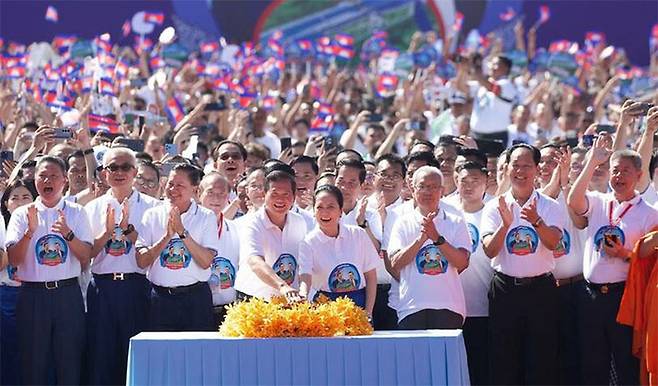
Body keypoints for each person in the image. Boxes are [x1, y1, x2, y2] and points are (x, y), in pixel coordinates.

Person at [567, 140, 658, 385]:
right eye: (615, 170)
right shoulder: (598, 201)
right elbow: (574, 202)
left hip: (624, 296)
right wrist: (592, 162)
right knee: (592, 362)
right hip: (591, 296)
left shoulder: (650, 214)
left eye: (625, 171)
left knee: (625, 364)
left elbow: (651, 262)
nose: (618, 176)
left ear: (639, 175)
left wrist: (623, 254)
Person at [6, 155, 93, 385]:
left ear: (65, 180)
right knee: (33, 366)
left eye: (53, 176)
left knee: (69, 364)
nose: (47, 180)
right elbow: (13, 260)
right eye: (42, 175)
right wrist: (29, 232)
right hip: (33, 296)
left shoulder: (76, 212)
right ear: (34, 180)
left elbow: (86, 257)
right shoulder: (21, 214)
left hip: (67, 296)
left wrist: (68, 233)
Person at [481, 143, 563, 385]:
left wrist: (536, 221)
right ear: (507, 169)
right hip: (505, 290)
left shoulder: (550, 206)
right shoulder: (495, 207)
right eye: (515, 165)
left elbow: (553, 242)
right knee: (504, 358)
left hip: (542, 290)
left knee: (542, 359)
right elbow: (489, 250)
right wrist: (505, 225)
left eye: (526, 165)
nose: (520, 171)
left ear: (537, 170)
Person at [84, 148, 160, 385]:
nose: (119, 172)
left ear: (135, 171)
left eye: (125, 167)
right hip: (103, 288)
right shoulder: (91, 208)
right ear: (103, 173)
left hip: (138, 287)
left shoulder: (153, 207)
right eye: (112, 167)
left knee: (136, 355)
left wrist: (128, 230)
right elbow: (86, 256)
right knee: (101, 355)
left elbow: (153, 252)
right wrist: (107, 233)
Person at [136, 163, 219, 331]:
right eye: (170, 184)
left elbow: (205, 261)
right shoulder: (152, 215)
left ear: (194, 190)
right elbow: (141, 261)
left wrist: (182, 232)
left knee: (198, 352)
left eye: (180, 185)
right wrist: (167, 236)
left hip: (195, 299)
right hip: (160, 299)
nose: (173, 189)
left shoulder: (206, 216)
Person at [388, 166, 471, 329]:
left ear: (442, 190)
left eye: (433, 187)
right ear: (413, 189)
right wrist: (420, 239)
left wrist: (437, 239)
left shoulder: (455, 221)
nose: (428, 192)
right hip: (411, 308)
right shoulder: (402, 222)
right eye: (423, 186)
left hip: (449, 307)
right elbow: (395, 264)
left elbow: (462, 263)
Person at [298, 185, 378, 315]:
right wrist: (302, 294)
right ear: (313, 211)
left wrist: (368, 312)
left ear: (340, 210)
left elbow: (370, 276)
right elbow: (305, 275)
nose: (325, 212)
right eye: (319, 207)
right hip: (326, 308)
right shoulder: (308, 242)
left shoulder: (358, 234)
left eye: (331, 207)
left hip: (359, 304)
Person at [449, 161, 494, 385]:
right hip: (452, 306)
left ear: (486, 182)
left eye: (475, 181)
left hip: (486, 305)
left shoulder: (495, 209)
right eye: (463, 180)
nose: (468, 186)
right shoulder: (445, 210)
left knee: (483, 367)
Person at [234, 170, 306, 301]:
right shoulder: (252, 223)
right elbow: (255, 261)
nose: (280, 199)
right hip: (255, 300)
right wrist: (282, 286)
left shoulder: (300, 221)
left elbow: (305, 261)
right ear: (264, 194)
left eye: (286, 194)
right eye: (275, 194)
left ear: (294, 197)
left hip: (290, 299)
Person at [0, 179, 37, 386]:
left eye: (26, 197)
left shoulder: (44, 223)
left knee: (36, 353)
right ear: (6, 203)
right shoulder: (1, 225)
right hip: (7, 296)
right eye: (14, 198)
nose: (20, 202)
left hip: (35, 294)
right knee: (9, 353)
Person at [370, 154, 406, 330]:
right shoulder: (360, 208)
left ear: (404, 181)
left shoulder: (410, 212)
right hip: (364, 291)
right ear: (374, 177)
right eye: (383, 174)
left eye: (395, 175)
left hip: (397, 293)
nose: (388, 180)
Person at [199, 172, 240, 327]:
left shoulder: (237, 228)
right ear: (199, 193)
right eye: (210, 193)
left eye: (222, 194)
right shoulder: (186, 228)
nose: (216, 199)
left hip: (229, 309)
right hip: (198, 307)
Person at [469, 55, 519, 145]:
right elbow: (462, 88)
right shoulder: (482, 85)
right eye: (491, 64)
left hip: (495, 137)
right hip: (476, 135)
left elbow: (493, 88)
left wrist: (474, 68)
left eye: (496, 64)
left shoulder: (507, 85)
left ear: (506, 68)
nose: (492, 67)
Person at [335, 159, 382, 251]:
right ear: (334, 180)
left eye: (351, 183)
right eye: (341, 181)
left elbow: (376, 249)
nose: (345, 187)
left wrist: (362, 223)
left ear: (361, 185)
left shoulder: (370, 214)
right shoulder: (322, 211)